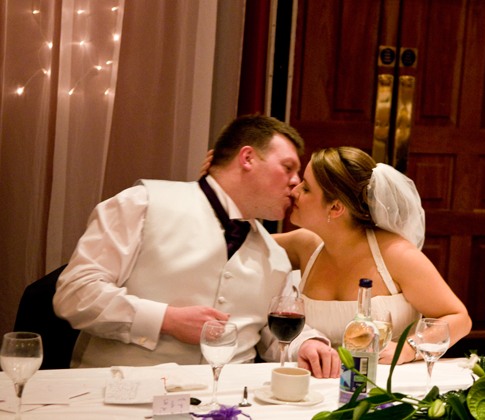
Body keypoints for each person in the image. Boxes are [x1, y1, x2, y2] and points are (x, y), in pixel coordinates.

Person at [53, 115, 337, 377]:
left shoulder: (274, 256)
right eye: (287, 167)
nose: (296, 182)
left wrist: (307, 344)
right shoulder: (142, 204)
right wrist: (165, 320)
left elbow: (273, 333)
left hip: (229, 404)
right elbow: (76, 293)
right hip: (122, 396)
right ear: (247, 158)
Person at [205, 146, 472, 369]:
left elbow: (458, 317)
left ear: (335, 207)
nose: (294, 191)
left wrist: (408, 349)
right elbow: (236, 242)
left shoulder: (397, 255)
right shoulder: (304, 245)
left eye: (306, 188)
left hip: (385, 385)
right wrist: (221, 185)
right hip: (316, 388)